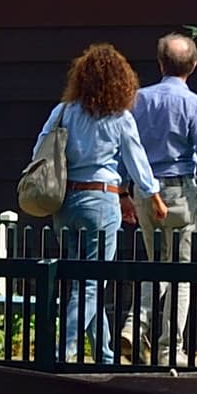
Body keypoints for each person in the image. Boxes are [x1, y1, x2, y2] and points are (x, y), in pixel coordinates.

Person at [39, 43, 163, 362]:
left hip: (65, 203)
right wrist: (153, 197)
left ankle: (106, 354)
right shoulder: (119, 117)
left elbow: (40, 150)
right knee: (92, 282)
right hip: (101, 200)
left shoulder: (63, 111)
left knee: (83, 280)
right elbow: (137, 161)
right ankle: (64, 351)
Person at [133, 33, 197, 350]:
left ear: (160, 63)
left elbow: (128, 147)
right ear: (193, 65)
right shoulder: (194, 105)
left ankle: (135, 325)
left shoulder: (138, 100)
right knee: (180, 271)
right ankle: (169, 347)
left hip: (144, 190)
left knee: (156, 263)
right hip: (179, 192)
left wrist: (126, 191)